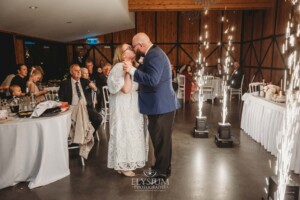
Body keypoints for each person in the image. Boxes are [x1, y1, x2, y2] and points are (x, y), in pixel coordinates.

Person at [123, 32, 180, 185]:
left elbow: (153, 80)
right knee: (163, 141)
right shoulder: (153, 53)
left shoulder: (154, 55)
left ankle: (160, 175)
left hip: (160, 106)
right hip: (161, 105)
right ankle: (163, 169)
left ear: (140, 45)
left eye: (134, 47)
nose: (134, 51)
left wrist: (132, 70)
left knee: (161, 141)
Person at [107, 43, 147, 177]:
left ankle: (123, 162)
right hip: (124, 105)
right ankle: (124, 165)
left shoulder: (131, 66)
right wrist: (127, 72)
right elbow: (125, 89)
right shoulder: (120, 66)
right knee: (124, 132)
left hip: (131, 104)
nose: (132, 49)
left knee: (129, 132)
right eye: (128, 48)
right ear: (123, 54)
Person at [58, 64, 102, 130]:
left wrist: (94, 88)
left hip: (86, 107)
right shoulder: (65, 83)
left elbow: (98, 92)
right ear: (71, 72)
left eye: (79, 70)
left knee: (98, 118)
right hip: (72, 108)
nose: (78, 72)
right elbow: (61, 98)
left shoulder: (85, 81)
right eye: (76, 70)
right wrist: (65, 110)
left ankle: (89, 134)